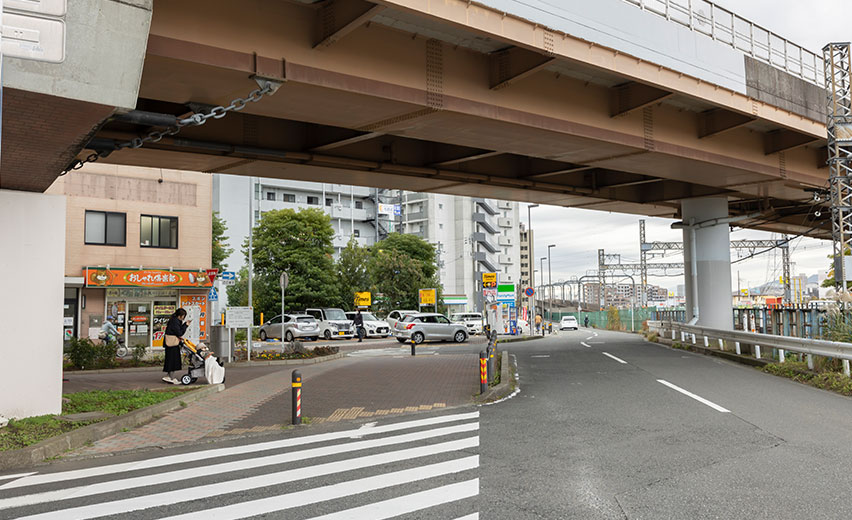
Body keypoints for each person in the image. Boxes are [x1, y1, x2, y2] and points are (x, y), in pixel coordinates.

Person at [162, 308, 190, 384]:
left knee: (170, 360)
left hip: (171, 343)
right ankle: (170, 377)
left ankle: (169, 376)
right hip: (172, 344)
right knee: (173, 360)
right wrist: (185, 325)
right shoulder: (175, 321)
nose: (184, 317)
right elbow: (179, 332)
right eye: (184, 316)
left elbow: (176, 332)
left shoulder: (174, 320)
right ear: (181, 316)